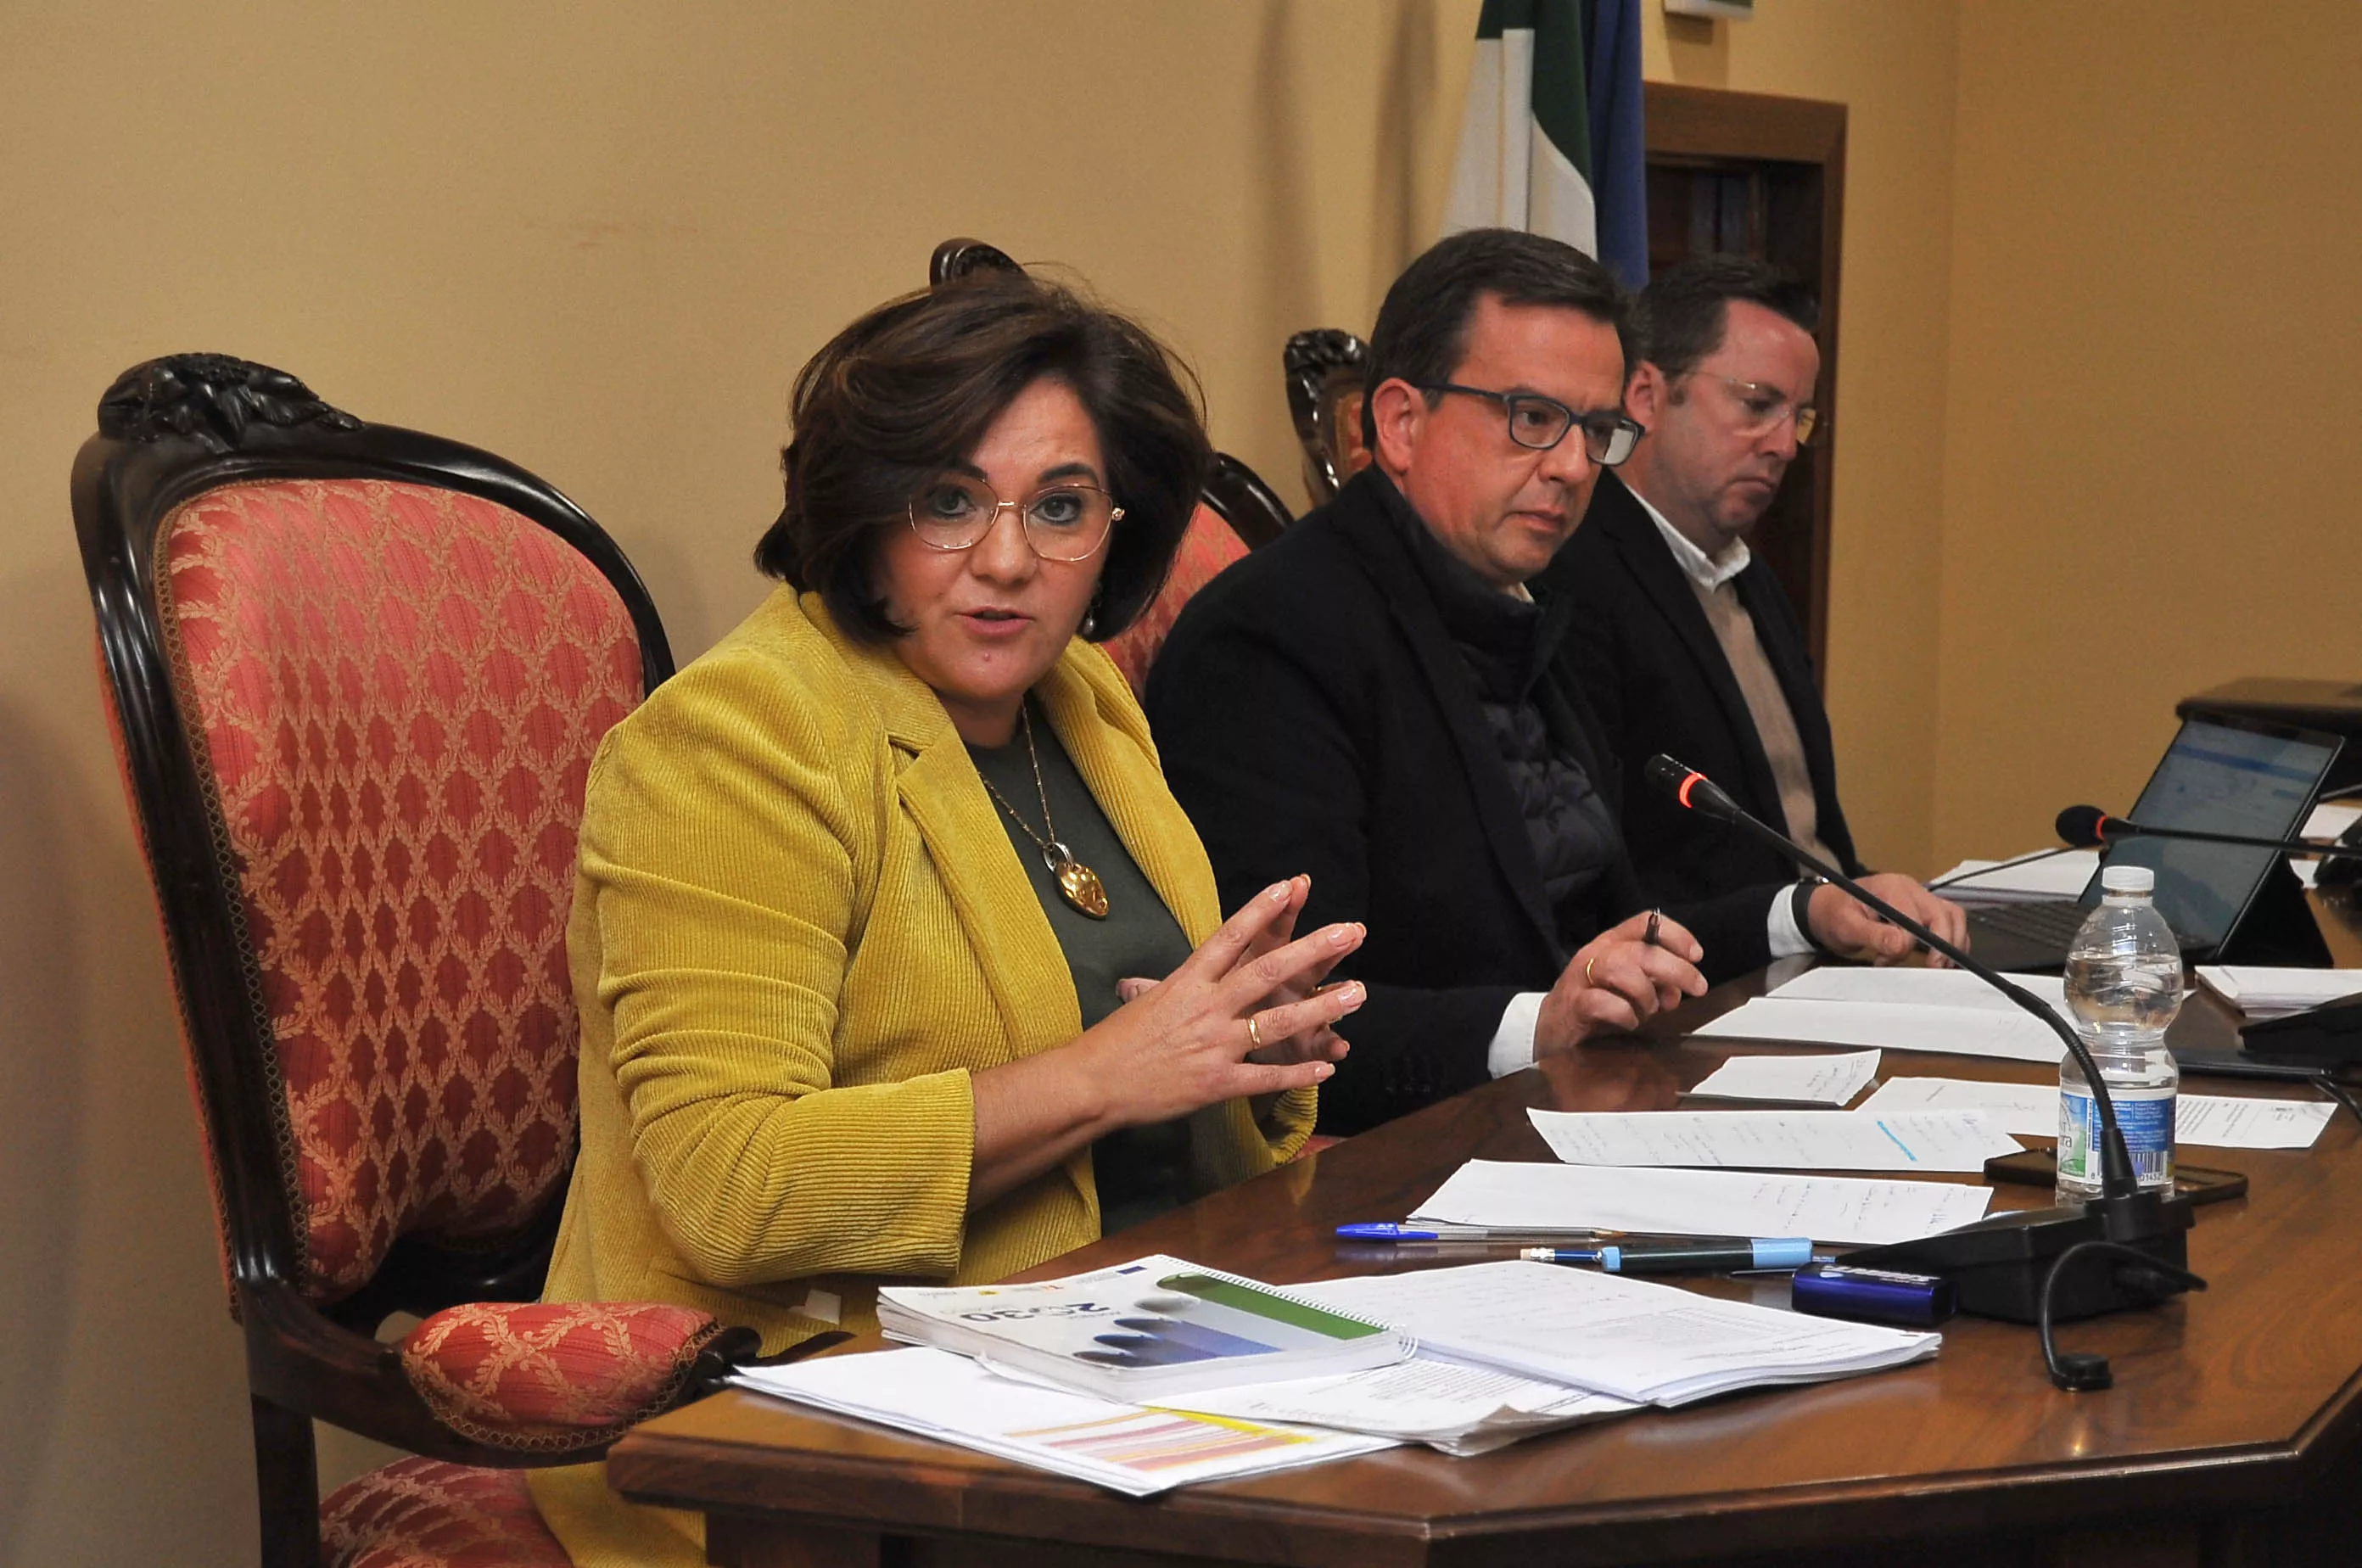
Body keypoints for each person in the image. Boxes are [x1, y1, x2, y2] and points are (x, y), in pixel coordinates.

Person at [529, 272, 1364, 1568]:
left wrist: (1251, 1056)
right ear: (863, 517)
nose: (1009, 558)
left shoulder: (1084, 704)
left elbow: (1158, 1075)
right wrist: (1103, 1077)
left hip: (1154, 1352)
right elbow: (730, 1187)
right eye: (950, 502)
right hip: (833, 1431)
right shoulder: (739, 740)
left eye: (1062, 507)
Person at [1147, 229, 1944, 1137]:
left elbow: (1606, 940)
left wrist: (1799, 912)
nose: (1571, 466)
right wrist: (1542, 1025)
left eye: (1596, 430)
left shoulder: (1529, 606)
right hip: (1396, 1164)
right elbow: (1283, 1022)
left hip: (1577, 1121)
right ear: (1403, 423)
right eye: (1531, 417)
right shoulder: (1277, 636)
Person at [1541, 258, 1964, 939]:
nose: (1784, 446)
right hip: (1705, 990)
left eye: (1799, 418)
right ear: (1646, 395)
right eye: (1757, 405)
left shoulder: (1752, 579)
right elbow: (1606, 884)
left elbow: (1811, 842)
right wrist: (1802, 919)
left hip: (1820, 968)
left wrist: (1886, 910)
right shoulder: (1574, 574)